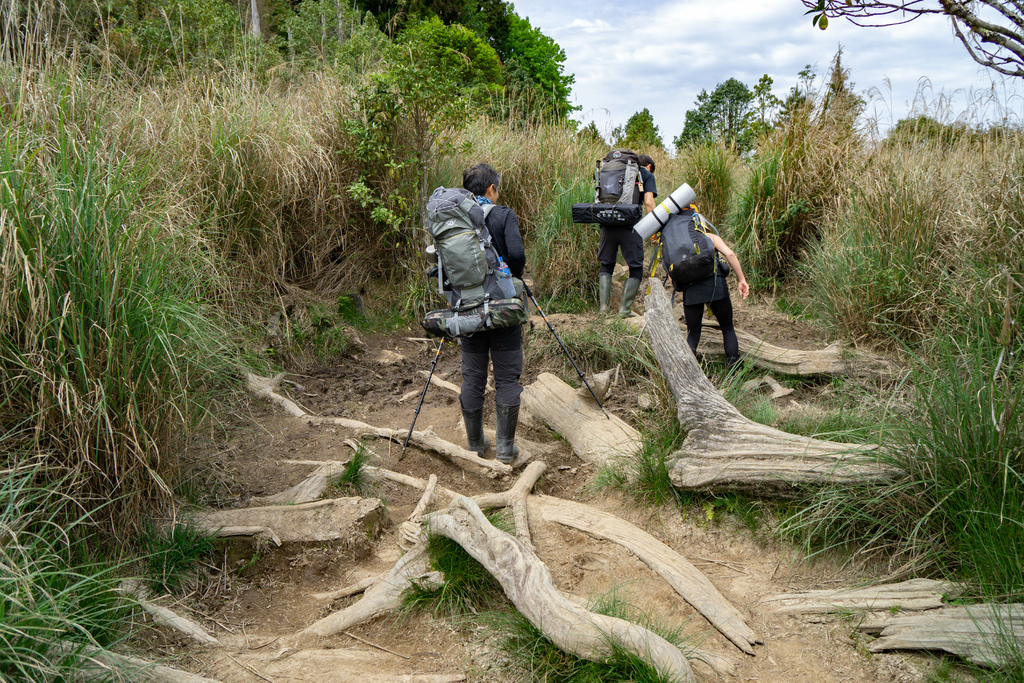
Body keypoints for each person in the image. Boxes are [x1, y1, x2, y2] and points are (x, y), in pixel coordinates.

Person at [459, 163, 526, 464]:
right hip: (502, 309)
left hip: (467, 307)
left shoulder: (455, 218)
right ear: (491, 189)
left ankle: (475, 443)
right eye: (497, 188)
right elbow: (518, 255)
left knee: (473, 377)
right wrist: (511, 280)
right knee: (507, 378)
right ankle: (505, 449)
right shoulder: (503, 214)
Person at [598, 152, 657, 317]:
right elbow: (649, 203)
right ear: (647, 166)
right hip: (630, 226)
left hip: (607, 222)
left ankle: (603, 310)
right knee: (636, 268)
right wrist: (654, 230)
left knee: (606, 265)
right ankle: (624, 310)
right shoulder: (645, 174)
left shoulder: (609, 171)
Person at [679, 231, 750, 368]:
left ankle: (686, 373)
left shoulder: (677, 241)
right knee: (727, 327)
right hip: (715, 286)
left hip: (691, 290)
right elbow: (729, 254)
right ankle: (734, 374)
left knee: (693, 334)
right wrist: (741, 279)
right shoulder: (710, 237)